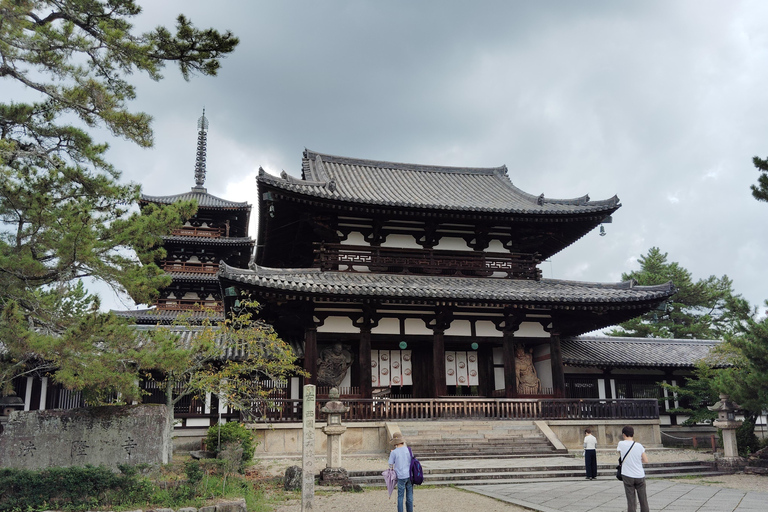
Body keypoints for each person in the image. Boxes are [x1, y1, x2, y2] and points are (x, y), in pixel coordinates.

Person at [617, 425, 650, 512]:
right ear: (633, 434)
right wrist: (638, 460)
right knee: (643, 499)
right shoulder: (639, 446)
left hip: (627, 474)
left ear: (623, 434)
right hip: (639, 474)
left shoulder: (621, 444)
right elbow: (646, 460)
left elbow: (620, 455)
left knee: (631, 500)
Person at [388, 432, 413, 512]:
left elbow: (390, 465)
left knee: (400, 496)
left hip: (400, 476)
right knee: (409, 496)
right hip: (409, 475)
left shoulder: (394, 452)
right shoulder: (408, 450)